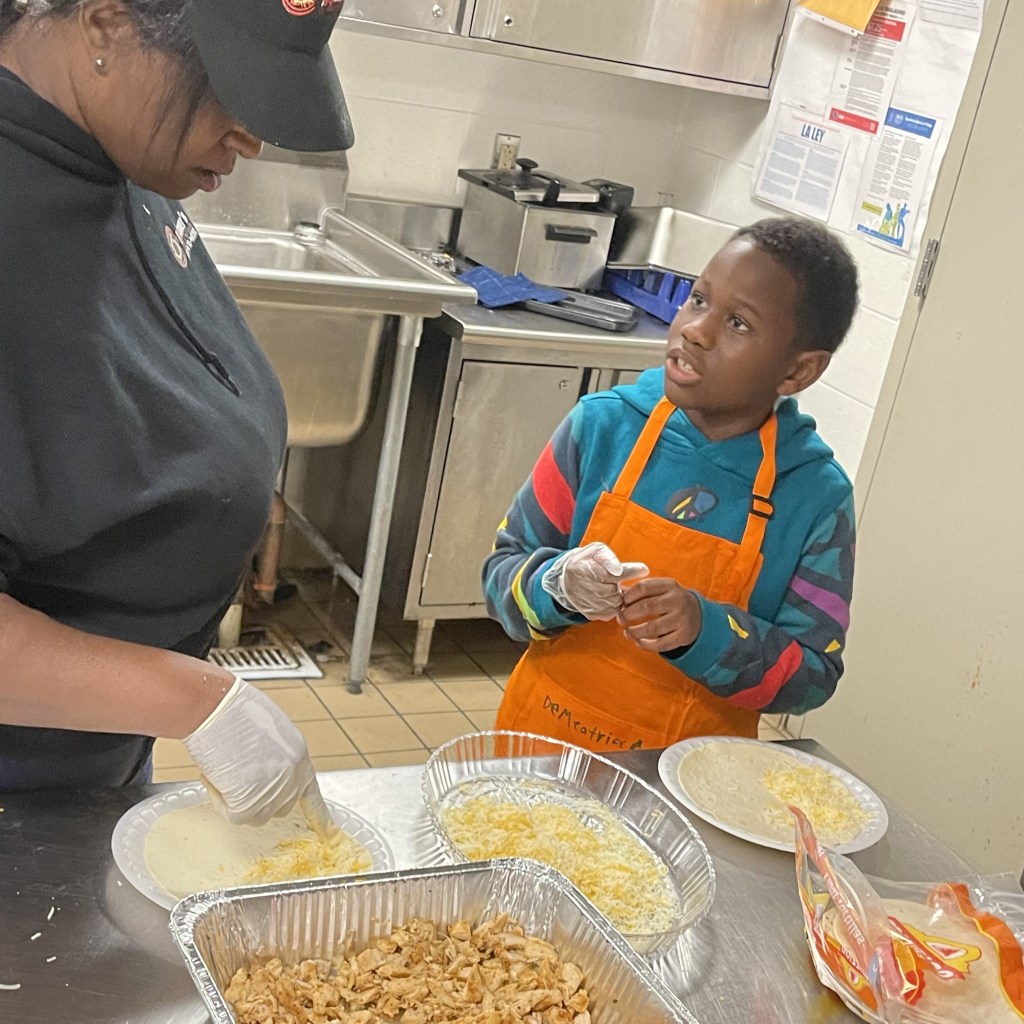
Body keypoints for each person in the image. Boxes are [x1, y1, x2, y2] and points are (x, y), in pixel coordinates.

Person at [0, 0, 354, 824]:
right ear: (106, 24)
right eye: (225, 87)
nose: (251, 137)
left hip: (94, 759)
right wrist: (194, 701)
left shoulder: (111, 150)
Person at [484, 217, 859, 751]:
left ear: (797, 372)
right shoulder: (601, 427)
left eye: (738, 323)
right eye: (698, 299)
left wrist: (706, 632)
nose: (695, 330)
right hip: (541, 753)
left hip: (686, 782)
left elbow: (813, 677)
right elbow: (499, 576)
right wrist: (557, 587)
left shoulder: (815, 497)